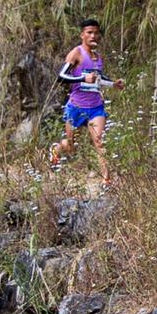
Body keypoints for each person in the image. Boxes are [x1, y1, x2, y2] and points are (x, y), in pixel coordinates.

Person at [49, 19, 124, 188]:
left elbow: (98, 78)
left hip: (95, 107)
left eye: (96, 32)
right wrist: (82, 78)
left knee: (99, 142)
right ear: (82, 35)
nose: (93, 36)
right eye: (89, 32)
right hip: (76, 106)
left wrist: (113, 84)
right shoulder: (76, 53)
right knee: (70, 147)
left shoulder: (98, 58)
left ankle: (106, 180)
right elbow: (61, 77)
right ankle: (57, 149)